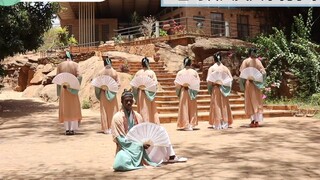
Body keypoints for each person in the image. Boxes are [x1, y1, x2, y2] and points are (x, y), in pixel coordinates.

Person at [111, 89, 187, 171]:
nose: (129, 103)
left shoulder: (138, 116)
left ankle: (171, 156)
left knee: (161, 137)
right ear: (122, 101)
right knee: (121, 162)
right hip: (126, 148)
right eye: (126, 101)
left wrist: (145, 143)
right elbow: (120, 140)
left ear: (133, 101)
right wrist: (139, 145)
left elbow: (142, 133)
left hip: (142, 147)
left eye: (130, 101)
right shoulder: (117, 118)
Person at [56, 50, 82, 135]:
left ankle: (67, 129)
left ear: (65, 57)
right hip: (73, 90)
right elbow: (80, 76)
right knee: (73, 109)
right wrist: (73, 84)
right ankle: (72, 129)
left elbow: (58, 78)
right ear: (71, 57)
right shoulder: (75, 65)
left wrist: (59, 92)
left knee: (65, 109)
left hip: (64, 90)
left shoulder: (60, 65)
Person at [239, 48, 266, 127]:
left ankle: (253, 120)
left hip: (249, 83)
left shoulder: (246, 61)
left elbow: (242, 73)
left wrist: (242, 85)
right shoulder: (258, 62)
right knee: (257, 101)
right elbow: (264, 72)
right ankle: (257, 121)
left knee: (250, 101)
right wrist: (261, 81)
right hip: (257, 84)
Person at [207, 52, 233, 130]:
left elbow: (209, 81)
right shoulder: (225, 68)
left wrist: (210, 89)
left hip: (215, 88)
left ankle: (217, 123)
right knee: (224, 105)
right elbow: (230, 79)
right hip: (224, 88)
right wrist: (227, 87)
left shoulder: (211, 68)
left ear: (214, 59)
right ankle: (225, 123)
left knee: (216, 105)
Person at [94, 56, 120, 134]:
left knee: (104, 110)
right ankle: (114, 127)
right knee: (113, 110)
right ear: (111, 63)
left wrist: (102, 88)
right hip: (112, 93)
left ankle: (106, 128)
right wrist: (112, 88)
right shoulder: (115, 72)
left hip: (103, 93)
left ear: (104, 63)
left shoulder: (100, 72)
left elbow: (97, 85)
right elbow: (118, 84)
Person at [132, 57, 160, 124]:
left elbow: (134, 85)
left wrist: (138, 90)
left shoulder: (138, 73)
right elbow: (155, 83)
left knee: (141, 108)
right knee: (149, 109)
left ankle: (141, 122)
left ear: (142, 64)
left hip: (140, 94)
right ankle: (150, 122)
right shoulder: (151, 73)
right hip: (148, 93)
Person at [175, 57, 200, 131]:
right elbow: (197, 82)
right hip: (191, 91)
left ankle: (185, 124)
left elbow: (177, 84)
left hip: (183, 91)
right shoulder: (194, 72)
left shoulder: (180, 72)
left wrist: (179, 90)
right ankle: (192, 124)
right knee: (192, 107)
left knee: (184, 107)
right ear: (190, 63)